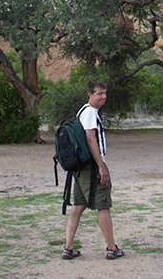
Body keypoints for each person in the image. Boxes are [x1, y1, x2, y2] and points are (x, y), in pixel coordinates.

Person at [62, 79, 125, 260]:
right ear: (90, 95)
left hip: (80, 168)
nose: (103, 97)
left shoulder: (83, 111)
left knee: (78, 205)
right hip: (91, 167)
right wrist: (101, 166)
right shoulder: (89, 113)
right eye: (99, 93)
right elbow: (90, 139)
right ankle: (112, 249)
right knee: (103, 205)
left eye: (105, 93)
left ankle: (68, 248)